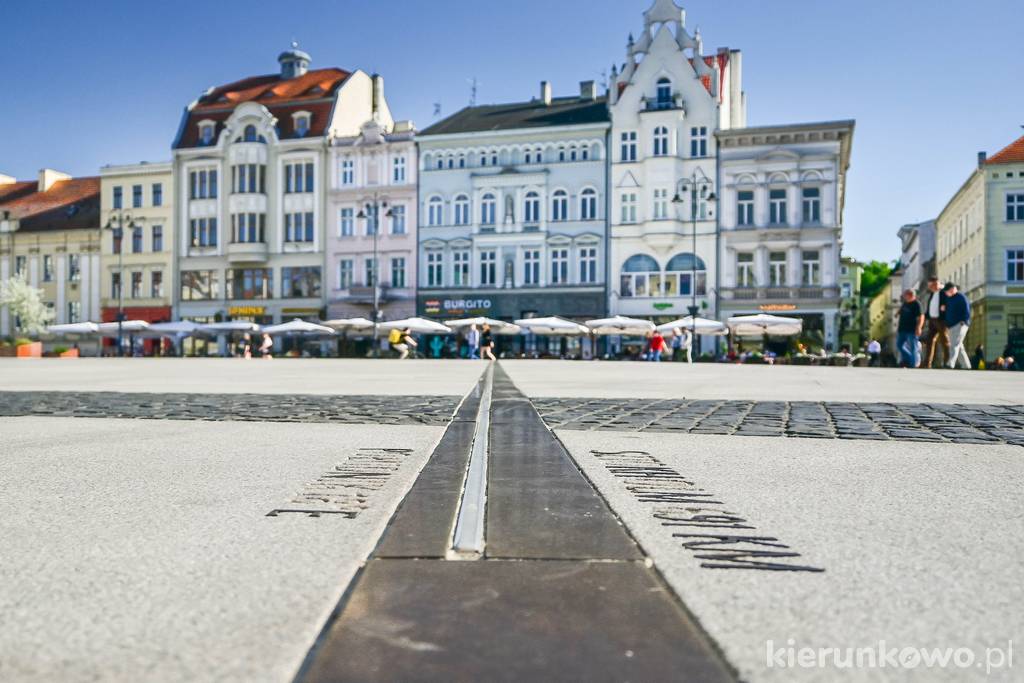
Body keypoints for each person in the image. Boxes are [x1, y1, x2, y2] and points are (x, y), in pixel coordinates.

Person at [920, 277, 950, 368]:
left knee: (944, 340)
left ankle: (947, 362)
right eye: (930, 285)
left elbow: (947, 304)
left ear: (937, 284)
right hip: (932, 321)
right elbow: (930, 308)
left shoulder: (943, 293)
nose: (931, 287)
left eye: (933, 285)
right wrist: (926, 317)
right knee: (930, 341)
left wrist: (944, 309)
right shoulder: (932, 294)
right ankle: (927, 363)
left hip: (941, 320)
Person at [943, 282, 972, 369]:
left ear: (952, 289)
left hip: (960, 324)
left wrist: (964, 321)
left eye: (946, 291)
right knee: (959, 345)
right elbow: (948, 311)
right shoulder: (949, 299)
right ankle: (966, 366)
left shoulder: (961, 297)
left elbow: (966, 310)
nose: (946, 293)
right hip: (951, 325)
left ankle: (950, 363)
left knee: (954, 344)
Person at [896, 289, 924, 368]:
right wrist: (897, 313)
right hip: (902, 329)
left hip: (912, 329)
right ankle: (908, 359)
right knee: (899, 345)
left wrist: (919, 327)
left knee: (913, 347)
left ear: (911, 295)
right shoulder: (905, 303)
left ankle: (913, 364)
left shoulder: (917, 304)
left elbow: (921, 317)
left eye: (905, 295)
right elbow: (901, 311)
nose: (904, 297)